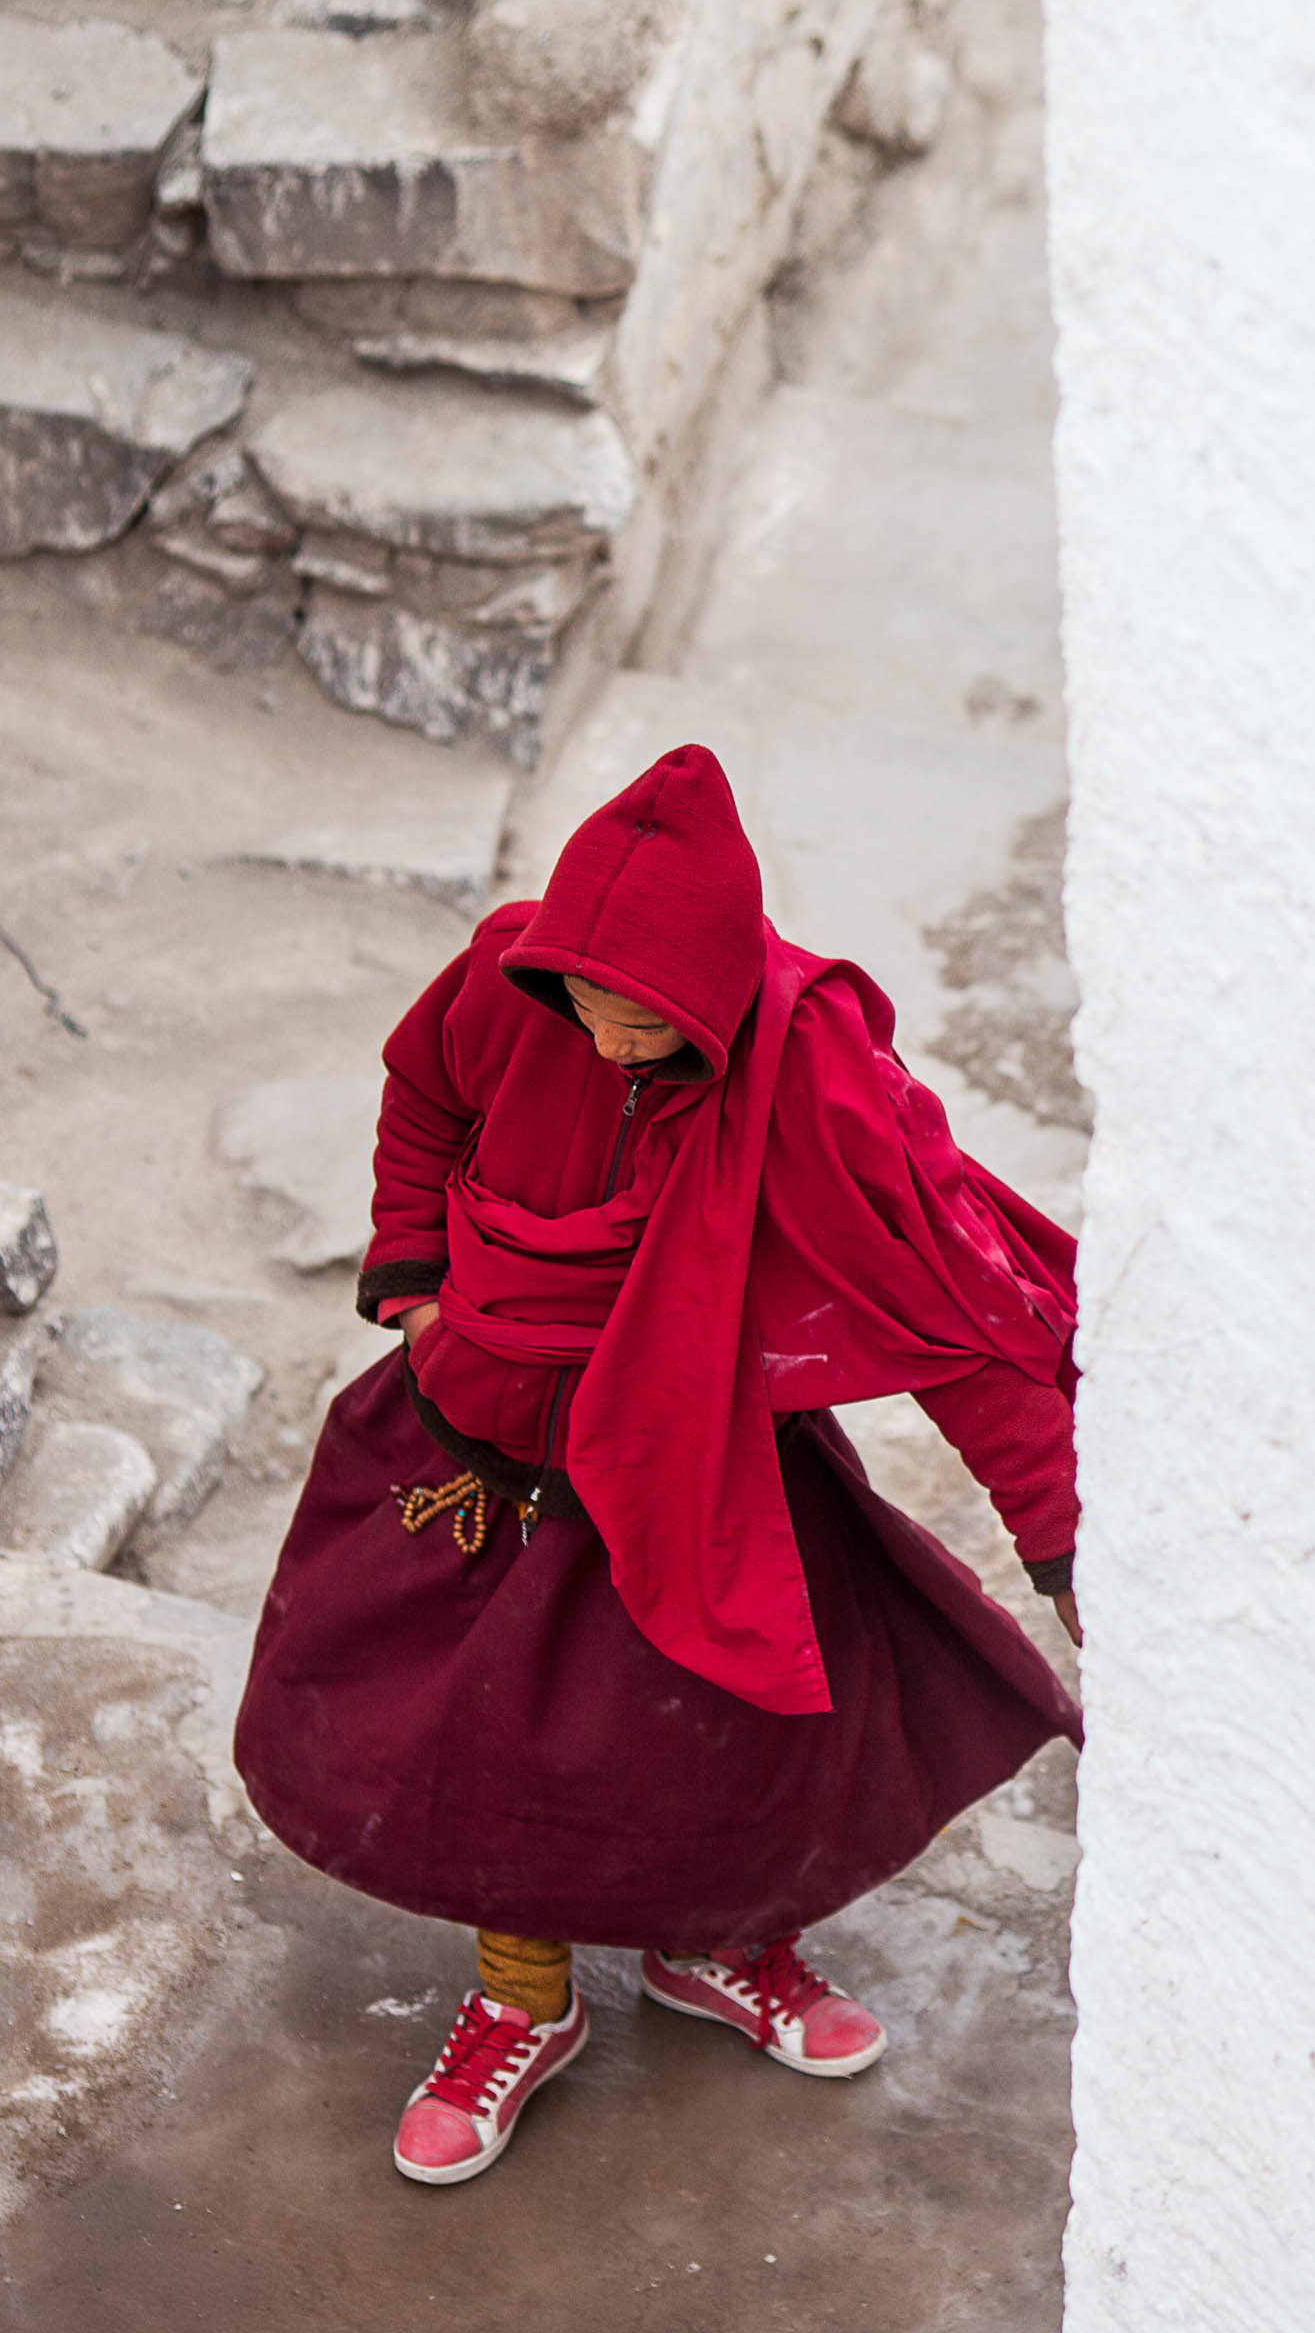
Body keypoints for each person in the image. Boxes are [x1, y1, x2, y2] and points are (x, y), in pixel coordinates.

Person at [234, 744, 1085, 2185]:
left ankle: (719, 1944)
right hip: (481, 1440)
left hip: (705, 1457)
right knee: (490, 1742)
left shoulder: (804, 1070)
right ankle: (525, 2001)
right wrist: (422, 1287)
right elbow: (422, 1102)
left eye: (645, 1027)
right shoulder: (509, 980)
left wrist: (1060, 1537)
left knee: (732, 1736)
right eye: (588, 1009)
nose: (612, 1046)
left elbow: (953, 1312)